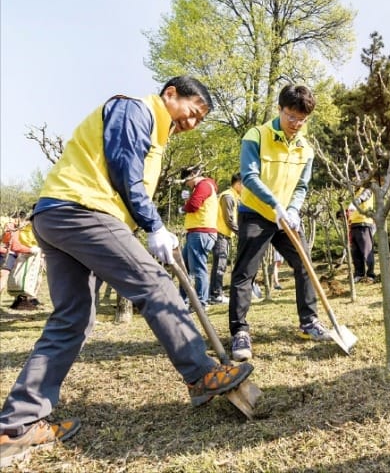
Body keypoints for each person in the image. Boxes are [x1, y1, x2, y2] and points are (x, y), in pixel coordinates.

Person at [0, 76, 253, 468]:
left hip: (57, 214)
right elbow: (123, 170)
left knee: (72, 320)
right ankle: (202, 373)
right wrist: (153, 225)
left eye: (201, 119)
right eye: (193, 111)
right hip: (83, 209)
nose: (192, 122)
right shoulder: (134, 109)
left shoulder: (154, 132)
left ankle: (16, 425)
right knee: (155, 285)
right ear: (171, 94)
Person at [228, 84, 331, 362]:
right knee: (245, 273)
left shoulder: (305, 149)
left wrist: (293, 209)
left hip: (287, 216)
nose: (296, 124)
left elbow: (302, 185)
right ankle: (239, 331)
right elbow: (249, 176)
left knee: (304, 263)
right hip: (256, 213)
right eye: (291, 116)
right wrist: (274, 205)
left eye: (302, 119)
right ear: (279, 110)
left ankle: (309, 322)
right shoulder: (256, 136)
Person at [179, 167, 218, 309]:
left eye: (187, 181)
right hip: (197, 232)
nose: (187, 185)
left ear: (193, 175)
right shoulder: (202, 187)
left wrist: (183, 208)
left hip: (201, 232)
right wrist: (187, 201)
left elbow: (194, 205)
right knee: (184, 268)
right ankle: (182, 301)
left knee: (198, 269)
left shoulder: (203, 185)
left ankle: (201, 303)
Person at [209, 172, 242, 304]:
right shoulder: (228, 196)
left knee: (220, 265)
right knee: (220, 265)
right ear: (239, 184)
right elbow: (229, 220)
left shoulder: (234, 196)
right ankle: (216, 295)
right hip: (220, 234)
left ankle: (215, 294)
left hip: (225, 235)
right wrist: (242, 233)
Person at [7, 208, 43, 311]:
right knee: (21, 275)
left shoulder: (35, 226)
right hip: (25, 251)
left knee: (34, 275)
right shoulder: (24, 226)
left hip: (34, 251)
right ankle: (21, 299)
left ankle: (32, 297)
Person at [347, 187, 376, 283]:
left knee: (366, 251)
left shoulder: (367, 189)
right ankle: (359, 274)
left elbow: (363, 197)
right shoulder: (354, 191)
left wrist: (355, 202)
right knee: (356, 253)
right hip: (354, 224)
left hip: (364, 223)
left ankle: (370, 274)